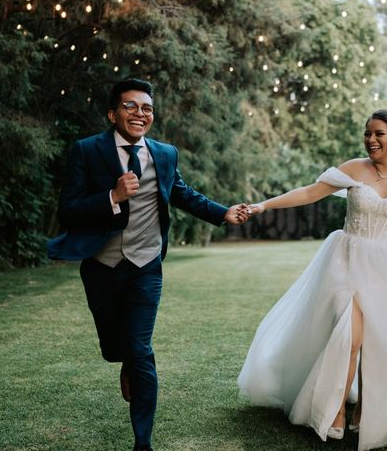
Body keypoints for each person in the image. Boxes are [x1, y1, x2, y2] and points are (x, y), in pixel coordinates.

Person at [238, 109, 387, 450]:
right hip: (347, 260)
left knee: (376, 342)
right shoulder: (354, 168)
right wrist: (263, 206)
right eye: (367, 134)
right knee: (351, 337)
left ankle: (366, 411)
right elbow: (310, 192)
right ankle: (337, 410)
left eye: (379, 134)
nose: (371, 140)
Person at [47, 78, 250, 451]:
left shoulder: (165, 153)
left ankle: (143, 443)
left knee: (141, 350)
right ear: (113, 113)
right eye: (131, 106)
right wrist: (112, 196)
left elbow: (182, 193)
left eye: (147, 108)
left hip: (145, 266)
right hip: (101, 266)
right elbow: (68, 210)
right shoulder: (87, 151)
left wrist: (224, 214)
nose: (140, 114)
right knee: (117, 348)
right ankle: (124, 357)